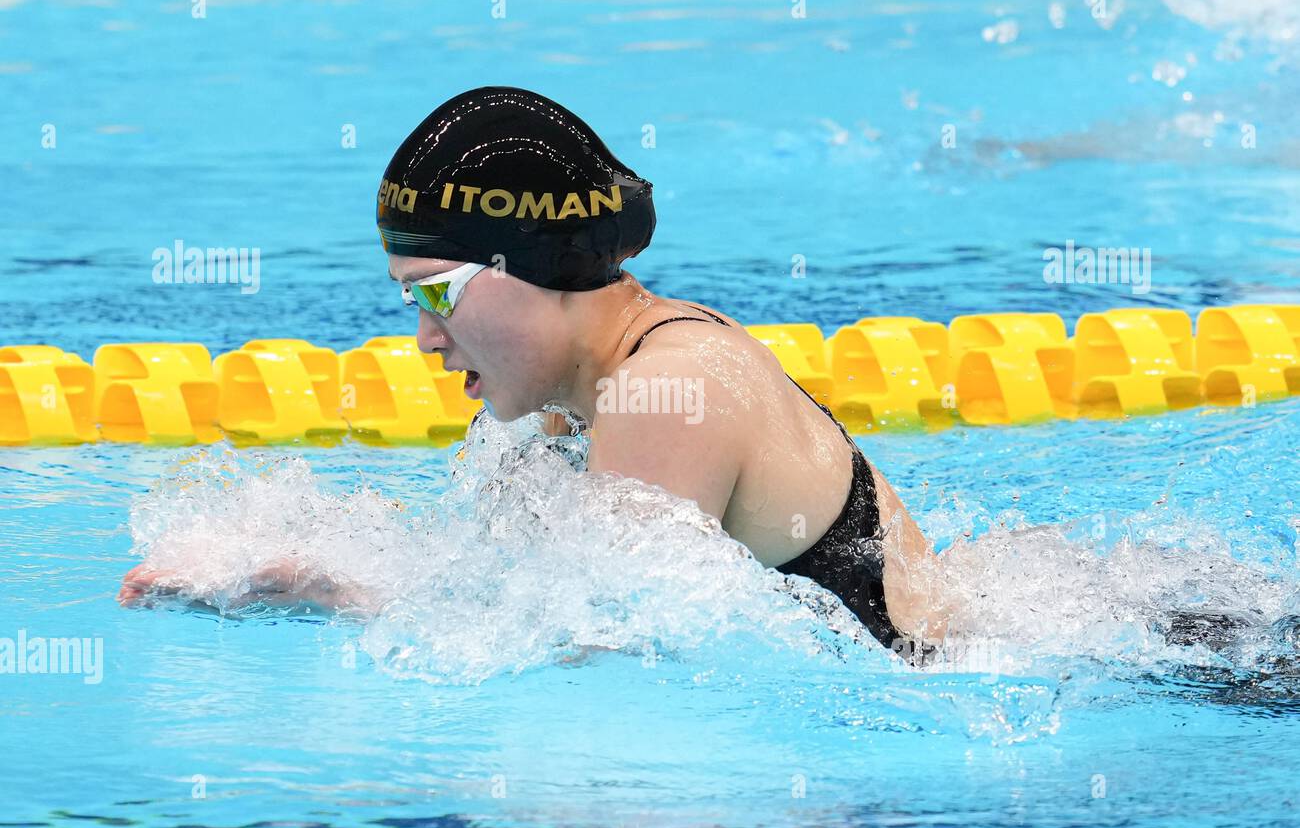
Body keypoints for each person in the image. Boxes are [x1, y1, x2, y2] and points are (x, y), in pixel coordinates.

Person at [120, 86, 953, 659]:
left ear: (537, 263)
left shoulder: (670, 390)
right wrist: (300, 577)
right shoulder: (575, 394)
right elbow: (516, 597)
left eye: (437, 295)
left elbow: (602, 660)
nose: (424, 340)